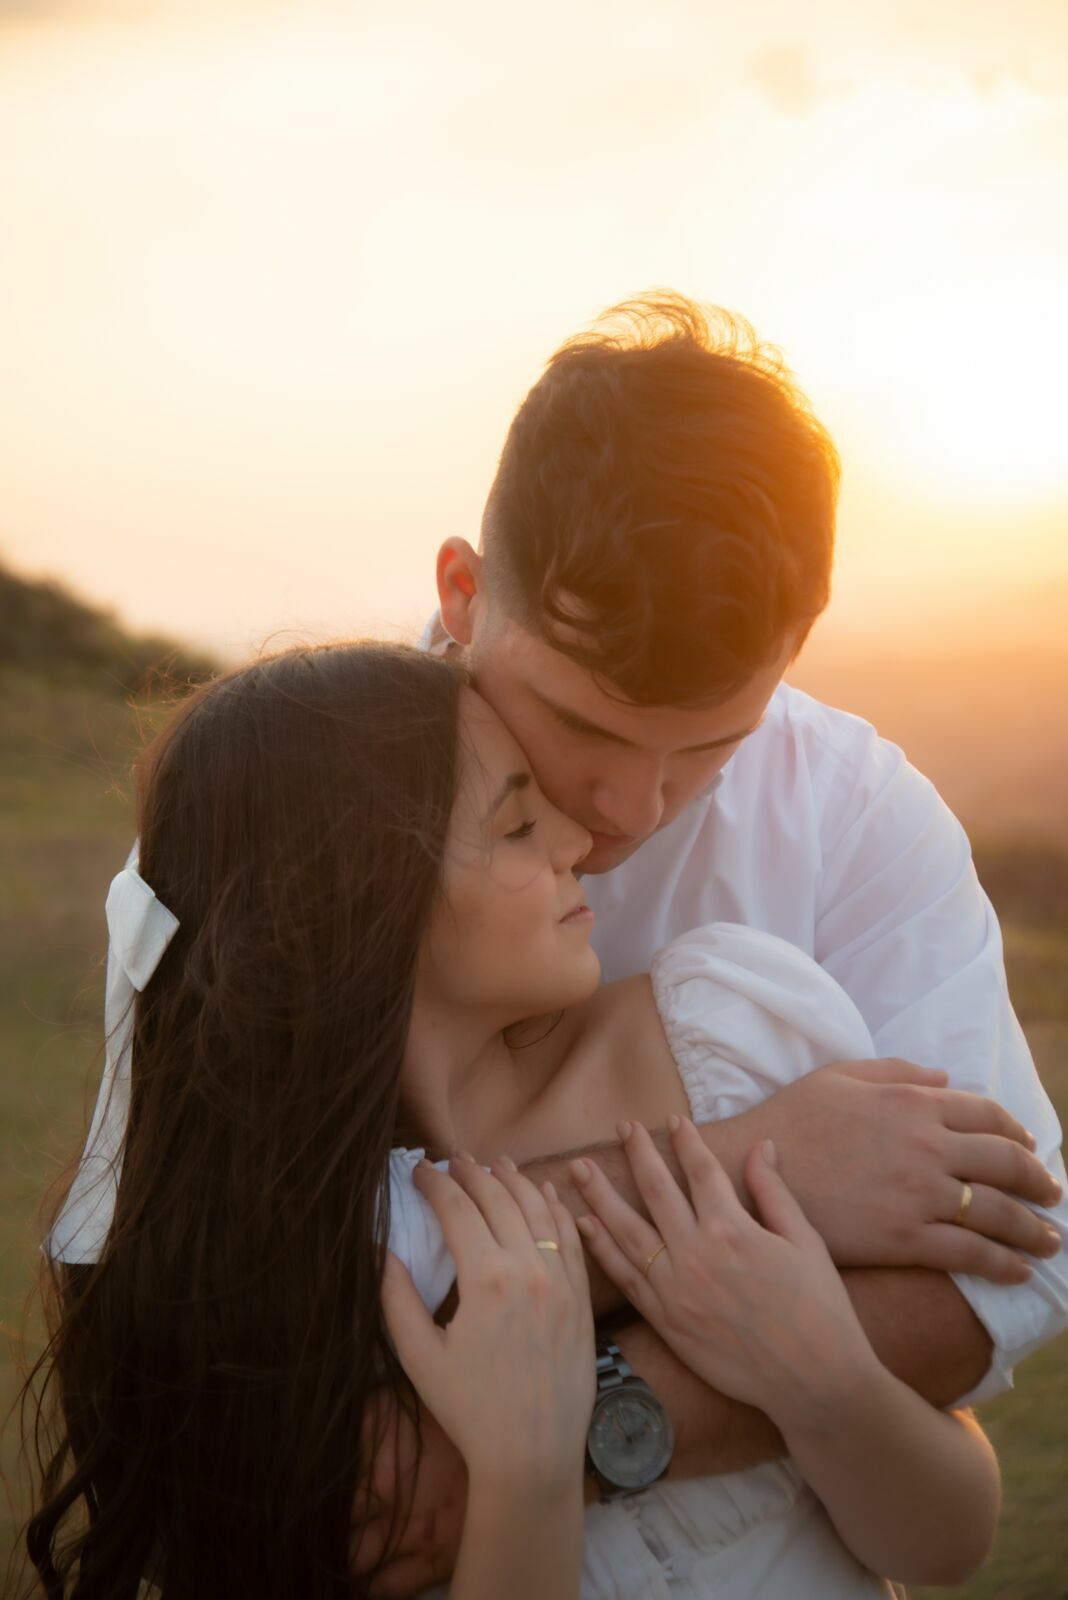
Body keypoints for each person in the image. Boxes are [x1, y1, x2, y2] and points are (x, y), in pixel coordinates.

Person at [27, 643, 1009, 1600]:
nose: (579, 842)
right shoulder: (290, 1276)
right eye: (515, 826)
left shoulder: (725, 1031)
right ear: (365, 906)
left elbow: (950, 1540)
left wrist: (824, 1376)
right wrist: (526, 1475)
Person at [354, 291, 1068, 1592]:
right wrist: (755, 1161)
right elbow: (159, 1253)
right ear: (463, 592)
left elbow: (1005, 1272)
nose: (629, 810)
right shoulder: (295, 802)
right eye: (588, 728)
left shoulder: (859, 818)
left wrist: (556, 1434)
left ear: (796, 649)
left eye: (709, 748)